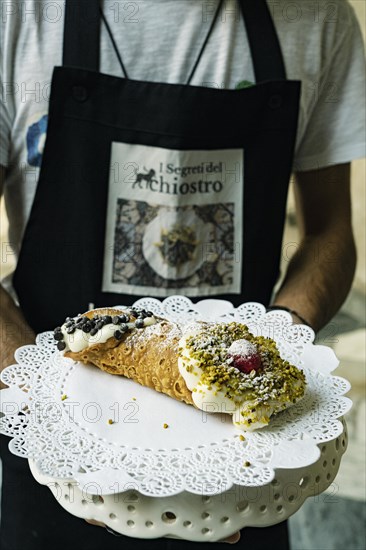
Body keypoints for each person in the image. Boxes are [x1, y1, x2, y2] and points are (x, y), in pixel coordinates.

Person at [0, 0, 365, 548]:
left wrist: (272, 353)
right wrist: (50, 414)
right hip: (59, 439)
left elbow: (328, 231)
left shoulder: (316, 20)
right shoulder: (19, 16)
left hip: (247, 455)